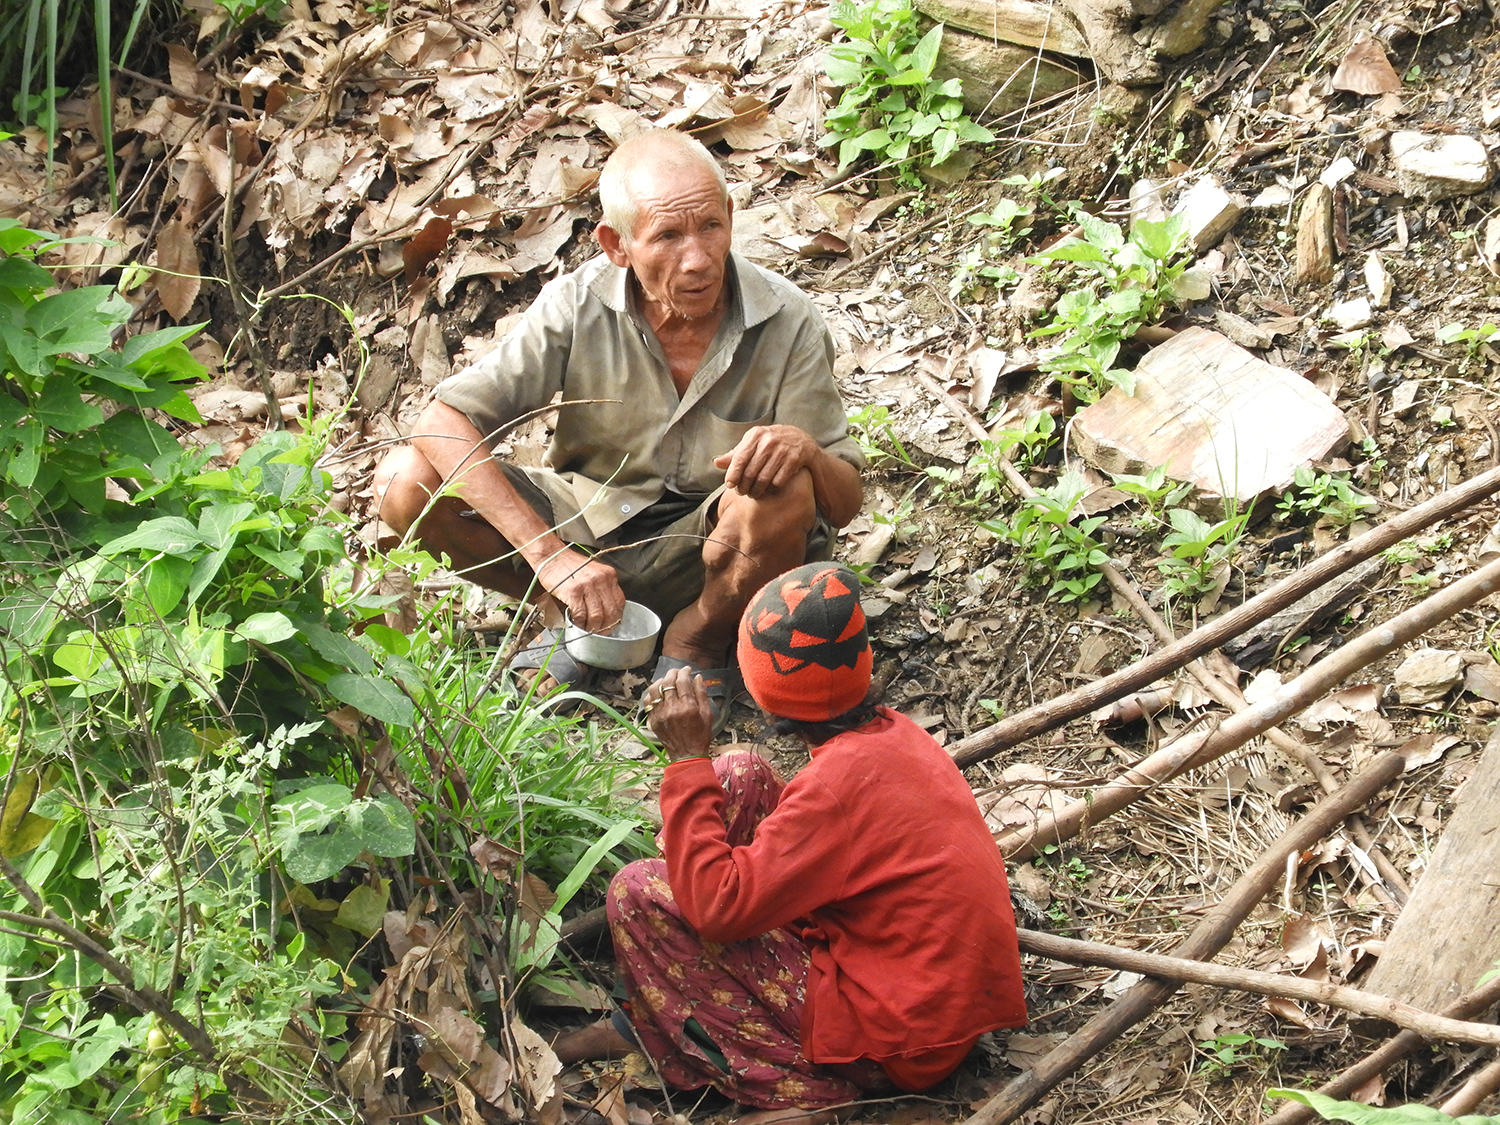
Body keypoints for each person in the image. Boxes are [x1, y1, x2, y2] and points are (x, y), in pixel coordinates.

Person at [373, 130, 864, 718]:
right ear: (617, 244)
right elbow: (443, 418)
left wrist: (805, 449)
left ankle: (697, 640)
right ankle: (570, 620)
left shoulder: (788, 320)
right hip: (587, 523)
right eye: (668, 236)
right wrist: (550, 557)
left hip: (719, 553)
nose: (699, 259)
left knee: (786, 489)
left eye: (711, 225)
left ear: (732, 215)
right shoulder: (576, 304)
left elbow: (843, 501)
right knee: (408, 483)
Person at [554, 563, 1027, 1124]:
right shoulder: (890, 735)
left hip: (898, 1038)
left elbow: (714, 909)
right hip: (926, 996)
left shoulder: (835, 789)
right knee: (739, 774)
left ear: (761, 688)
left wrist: (685, 760)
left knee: (638, 890)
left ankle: (798, 1090)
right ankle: (650, 1019)